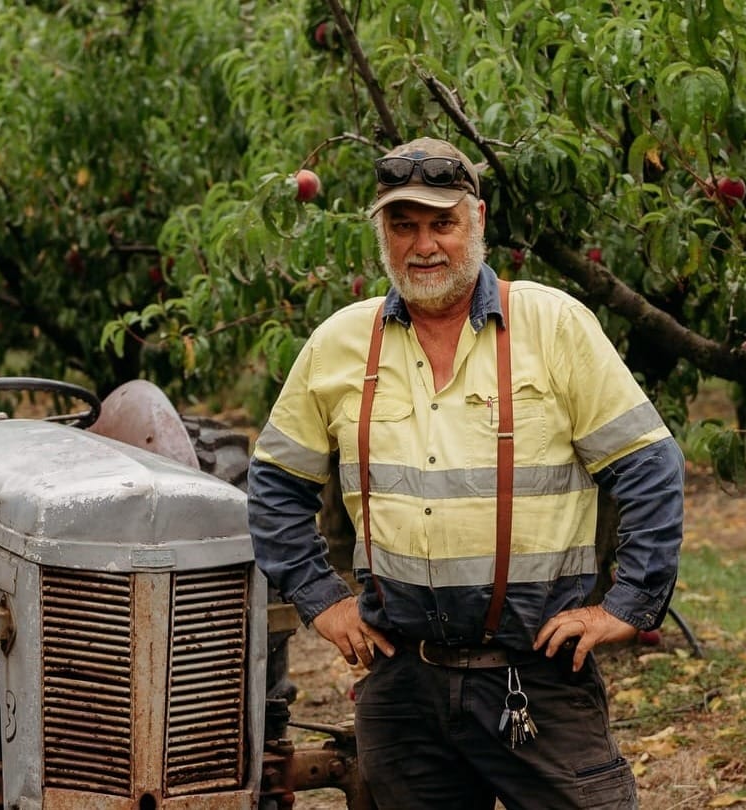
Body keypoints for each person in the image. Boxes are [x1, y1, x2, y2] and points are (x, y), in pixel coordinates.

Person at [247, 137, 684, 809]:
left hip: (536, 677)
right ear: (383, 233)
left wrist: (627, 606)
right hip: (401, 685)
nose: (424, 245)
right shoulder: (340, 343)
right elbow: (276, 483)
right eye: (403, 225)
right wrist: (321, 599)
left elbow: (650, 467)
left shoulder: (553, 324)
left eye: (442, 223)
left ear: (476, 220)